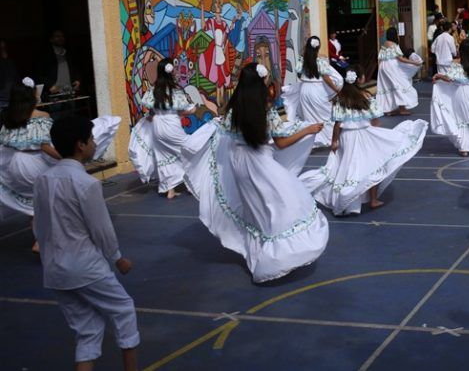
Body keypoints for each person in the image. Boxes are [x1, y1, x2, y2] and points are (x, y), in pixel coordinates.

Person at [182, 63, 329, 283]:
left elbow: (224, 136)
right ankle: (278, 255)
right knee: (284, 201)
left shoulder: (233, 111)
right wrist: (308, 130)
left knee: (256, 209)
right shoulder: (265, 111)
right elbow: (281, 143)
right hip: (259, 163)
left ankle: (260, 255)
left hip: (239, 164)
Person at [33, 116, 140, 371]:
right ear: (80, 145)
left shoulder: (43, 180)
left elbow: (39, 225)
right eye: (91, 139)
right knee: (124, 310)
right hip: (85, 266)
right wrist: (117, 258)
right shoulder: (86, 183)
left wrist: (48, 256)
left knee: (88, 329)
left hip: (55, 270)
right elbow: (101, 229)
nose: (94, 144)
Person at [1, 80, 120, 250]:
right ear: (32, 96)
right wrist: (67, 158)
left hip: (15, 166)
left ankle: (39, 240)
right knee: (49, 200)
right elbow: (45, 146)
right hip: (35, 165)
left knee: (35, 205)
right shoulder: (41, 116)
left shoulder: (9, 119)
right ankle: (49, 239)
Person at [301, 67, 428, 215]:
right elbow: (375, 120)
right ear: (360, 79)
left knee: (348, 166)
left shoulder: (340, 98)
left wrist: (334, 141)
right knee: (372, 165)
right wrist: (376, 132)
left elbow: (337, 124)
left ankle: (347, 200)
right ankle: (372, 199)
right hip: (365, 135)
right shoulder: (366, 96)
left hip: (346, 137)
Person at [127, 58, 197, 199]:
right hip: (171, 125)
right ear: (170, 71)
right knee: (189, 151)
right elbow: (185, 110)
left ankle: (170, 190)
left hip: (158, 127)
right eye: (174, 68)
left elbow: (152, 112)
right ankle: (192, 185)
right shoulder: (175, 90)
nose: (176, 70)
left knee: (164, 156)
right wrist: (192, 109)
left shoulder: (154, 89)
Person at [282, 36, 341, 148]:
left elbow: (299, 74)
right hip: (318, 89)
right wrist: (336, 89)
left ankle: (312, 140)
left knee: (309, 116)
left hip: (305, 89)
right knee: (324, 114)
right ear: (318, 47)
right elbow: (326, 77)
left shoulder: (302, 59)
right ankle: (325, 138)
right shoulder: (321, 60)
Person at [376, 27, 422, 116]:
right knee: (400, 85)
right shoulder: (393, 45)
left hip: (383, 66)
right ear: (394, 35)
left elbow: (380, 57)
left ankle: (388, 110)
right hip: (391, 67)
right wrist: (414, 62)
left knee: (388, 87)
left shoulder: (384, 44)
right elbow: (400, 59)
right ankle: (402, 109)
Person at [35, 29, 82, 102]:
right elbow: (39, 74)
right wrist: (50, 86)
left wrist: (77, 80)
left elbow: (75, 68)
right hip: (54, 93)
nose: (61, 38)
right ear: (51, 39)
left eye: (62, 36)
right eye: (57, 36)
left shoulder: (68, 53)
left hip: (70, 91)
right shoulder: (45, 55)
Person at [0, 38, 17, 112]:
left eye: (4, 48)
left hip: (12, 100)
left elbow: (16, 79)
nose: (3, 51)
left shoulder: (9, 63)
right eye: (1, 49)